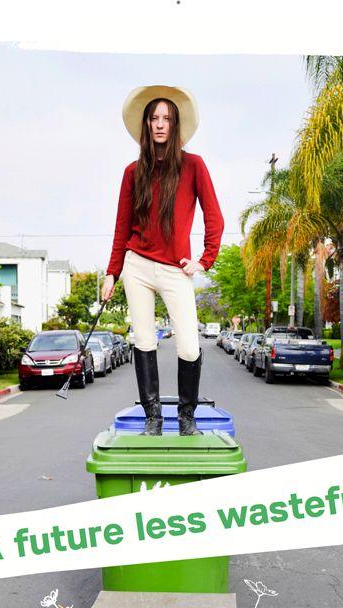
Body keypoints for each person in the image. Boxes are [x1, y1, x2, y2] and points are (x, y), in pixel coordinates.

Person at [102, 85, 224, 435]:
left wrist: (205, 260)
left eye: (166, 118)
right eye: (154, 118)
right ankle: (153, 418)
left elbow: (214, 215)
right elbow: (121, 227)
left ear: (175, 125)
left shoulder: (193, 166)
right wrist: (112, 272)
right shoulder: (132, 172)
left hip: (176, 269)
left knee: (188, 343)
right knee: (144, 340)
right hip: (136, 266)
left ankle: (187, 417)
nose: (159, 124)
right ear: (146, 124)